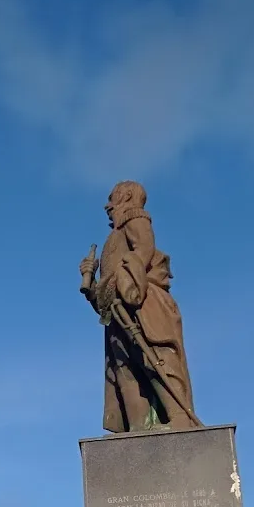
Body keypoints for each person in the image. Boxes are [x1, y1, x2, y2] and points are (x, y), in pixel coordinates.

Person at [79, 181, 199, 433]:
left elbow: (143, 250)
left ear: (126, 197)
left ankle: (179, 418)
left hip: (142, 305)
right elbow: (103, 301)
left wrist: (126, 282)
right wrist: (92, 286)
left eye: (112, 198)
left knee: (155, 359)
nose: (108, 206)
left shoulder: (135, 218)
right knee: (125, 371)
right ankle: (137, 428)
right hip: (117, 314)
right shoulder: (113, 237)